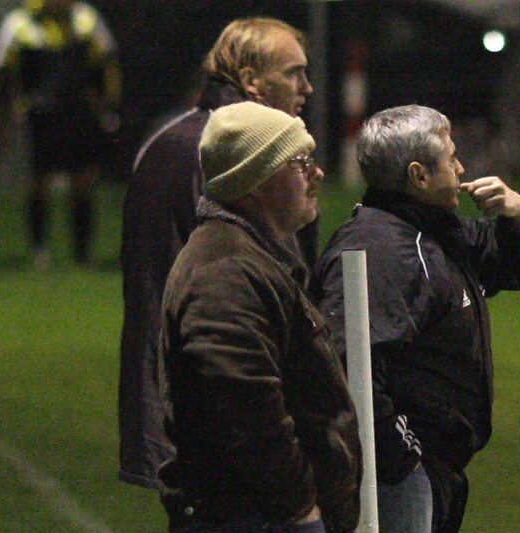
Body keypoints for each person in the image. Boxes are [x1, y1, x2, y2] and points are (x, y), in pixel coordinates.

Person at [310, 104, 520, 532]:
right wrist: (405, 456)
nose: (461, 170)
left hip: (425, 465)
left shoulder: (432, 233)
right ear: (419, 175)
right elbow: (347, 366)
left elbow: (510, 268)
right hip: (396, 474)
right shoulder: (385, 250)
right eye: (452, 159)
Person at [119, 17, 316, 489]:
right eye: (293, 72)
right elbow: (257, 276)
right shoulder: (236, 151)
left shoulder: (173, 139)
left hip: (180, 391)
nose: (307, 87)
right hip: (225, 396)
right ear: (251, 80)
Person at [157, 101, 361, 533]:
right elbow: (243, 404)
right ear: (253, 180)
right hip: (255, 518)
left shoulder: (243, 254)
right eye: (299, 162)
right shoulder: (226, 270)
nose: (317, 173)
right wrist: (299, 507)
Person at [0, 0, 121, 267]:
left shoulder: (86, 19)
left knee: (83, 182)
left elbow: (106, 65)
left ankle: (82, 253)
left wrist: (107, 108)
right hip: (40, 116)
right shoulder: (20, 23)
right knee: (39, 183)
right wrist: (10, 109)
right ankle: (39, 250)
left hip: (80, 113)